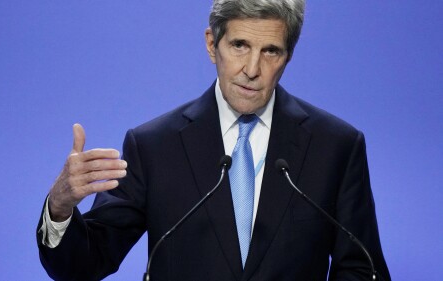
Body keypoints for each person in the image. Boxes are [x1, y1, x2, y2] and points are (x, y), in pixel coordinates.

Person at [37, 1, 391, 280]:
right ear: (212, 44)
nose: (251, 69)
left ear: (288, 56)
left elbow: (362, 268)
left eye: (271, 51)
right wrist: (60, 206)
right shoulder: (153, 147)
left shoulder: (336, 147)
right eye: (239, 45)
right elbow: (84, 265)